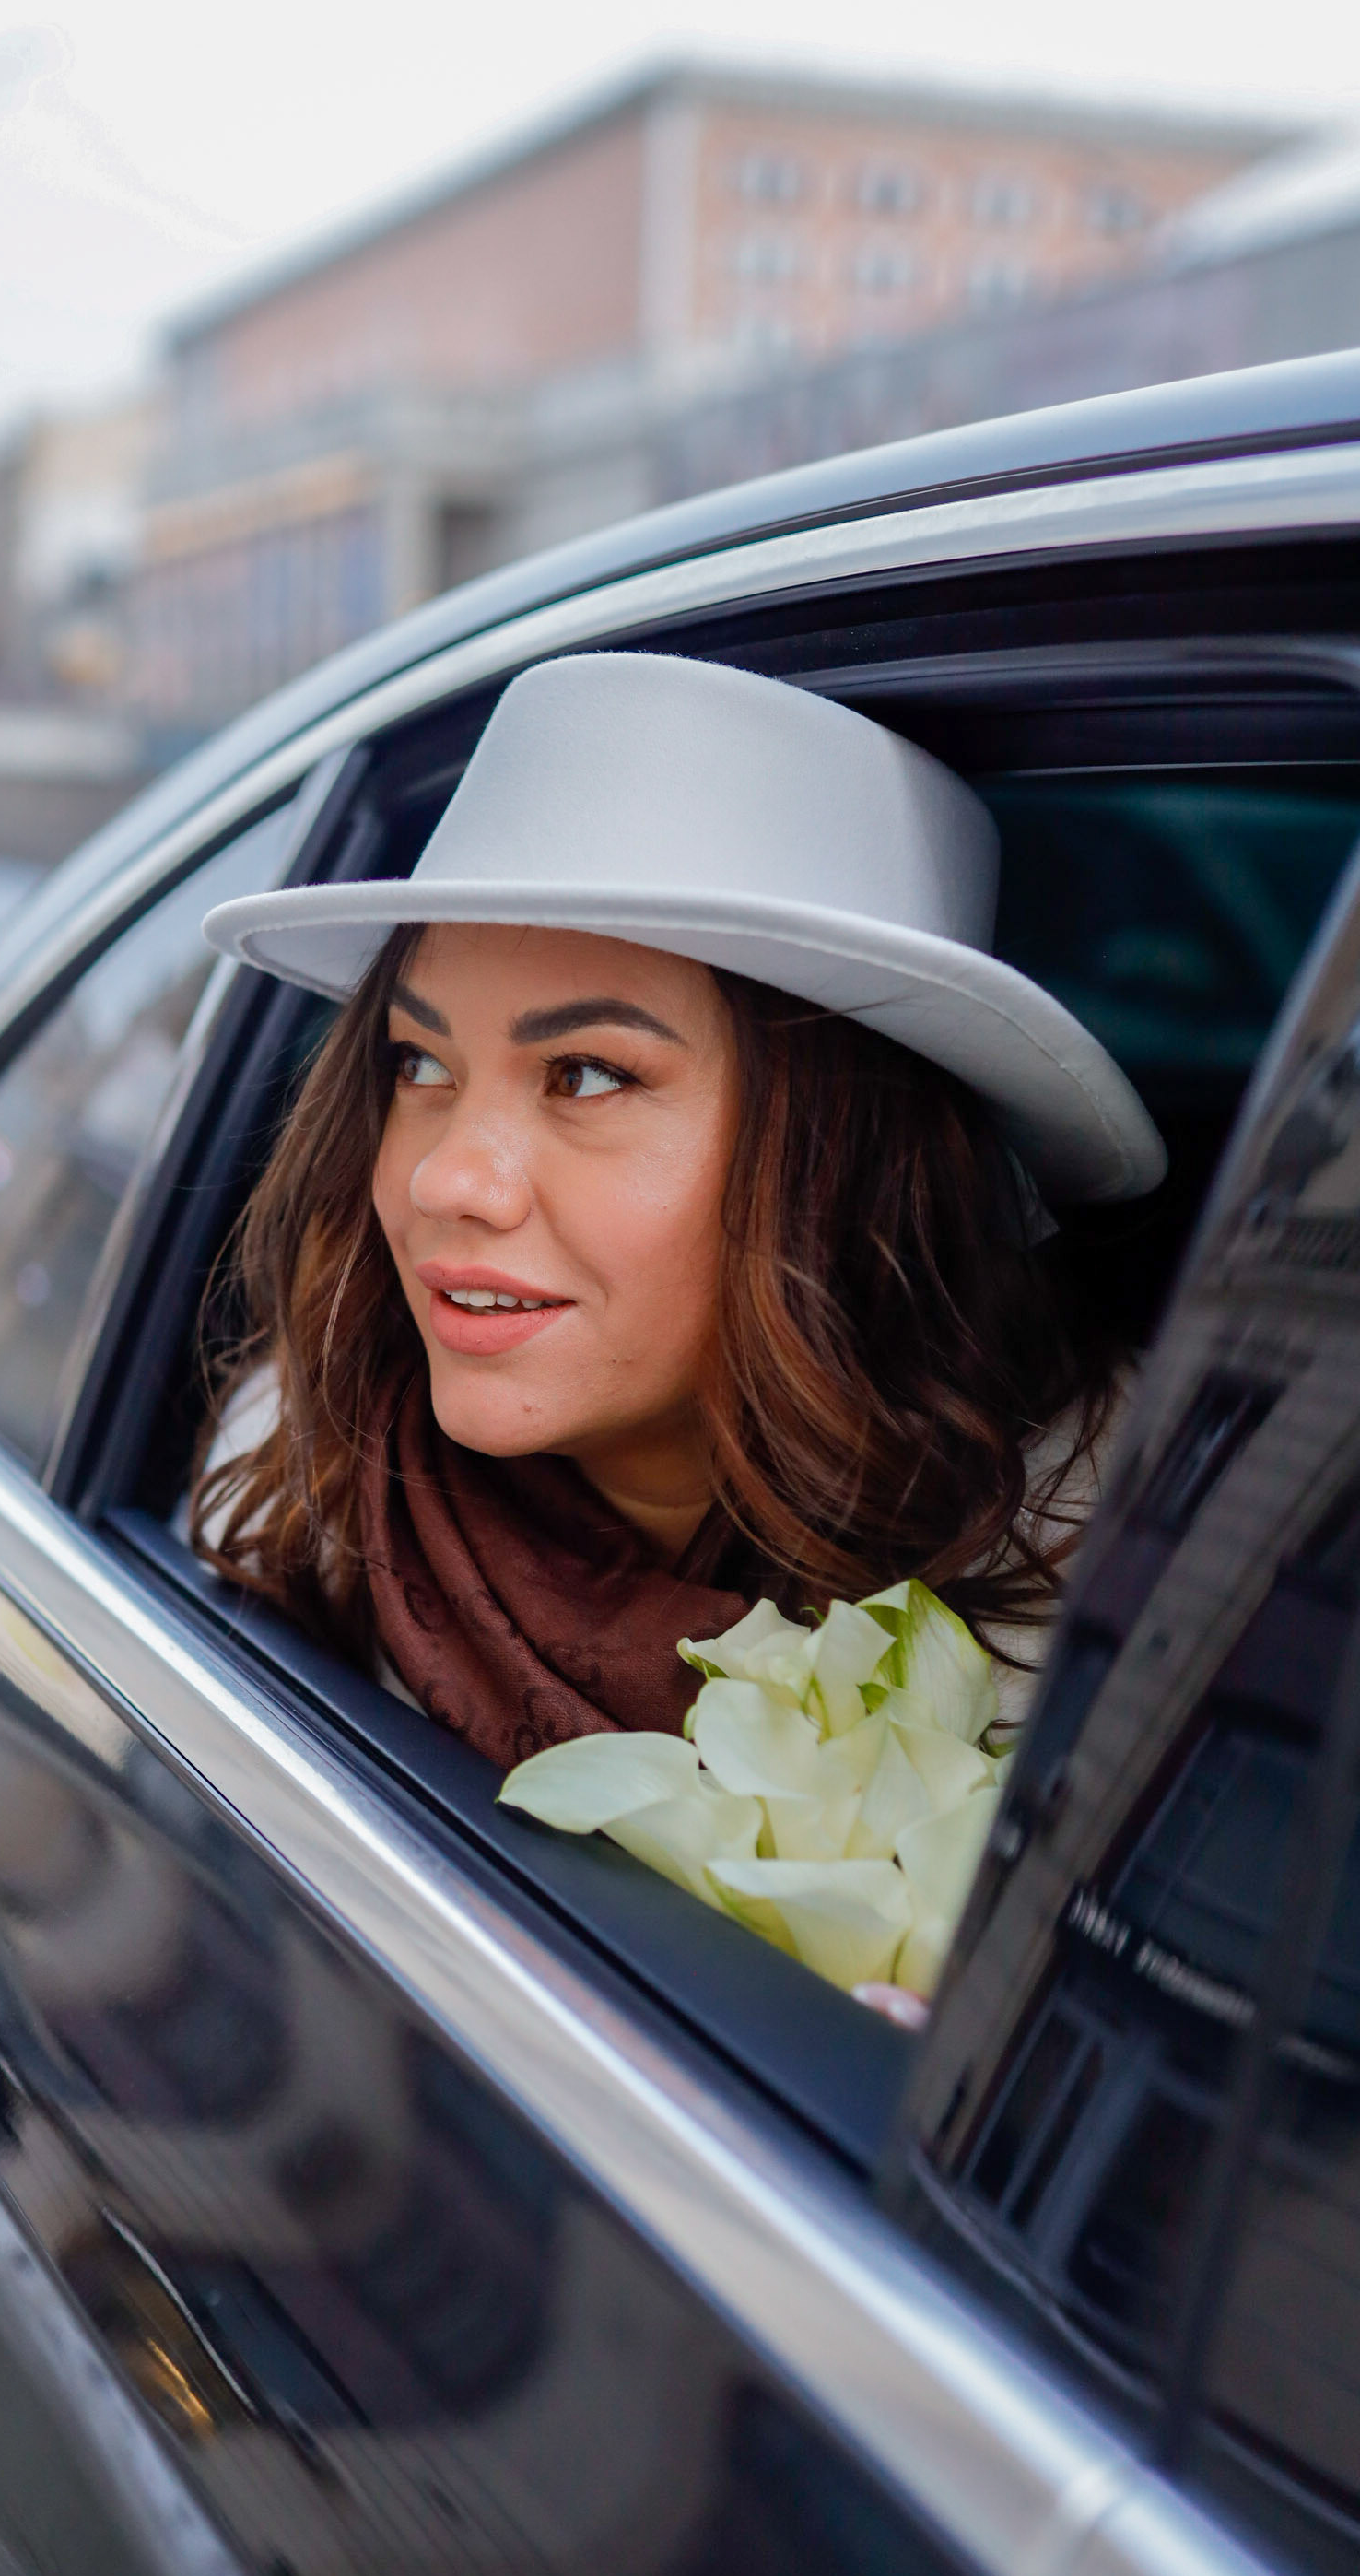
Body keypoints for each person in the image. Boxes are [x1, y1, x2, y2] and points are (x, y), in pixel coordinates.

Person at [189, 652, 1164, 1770]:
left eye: (587, 1077)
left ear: (839, 1158)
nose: (444, 1181)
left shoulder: (1088, 1603)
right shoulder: (285, 1471)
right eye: (418, 1064)